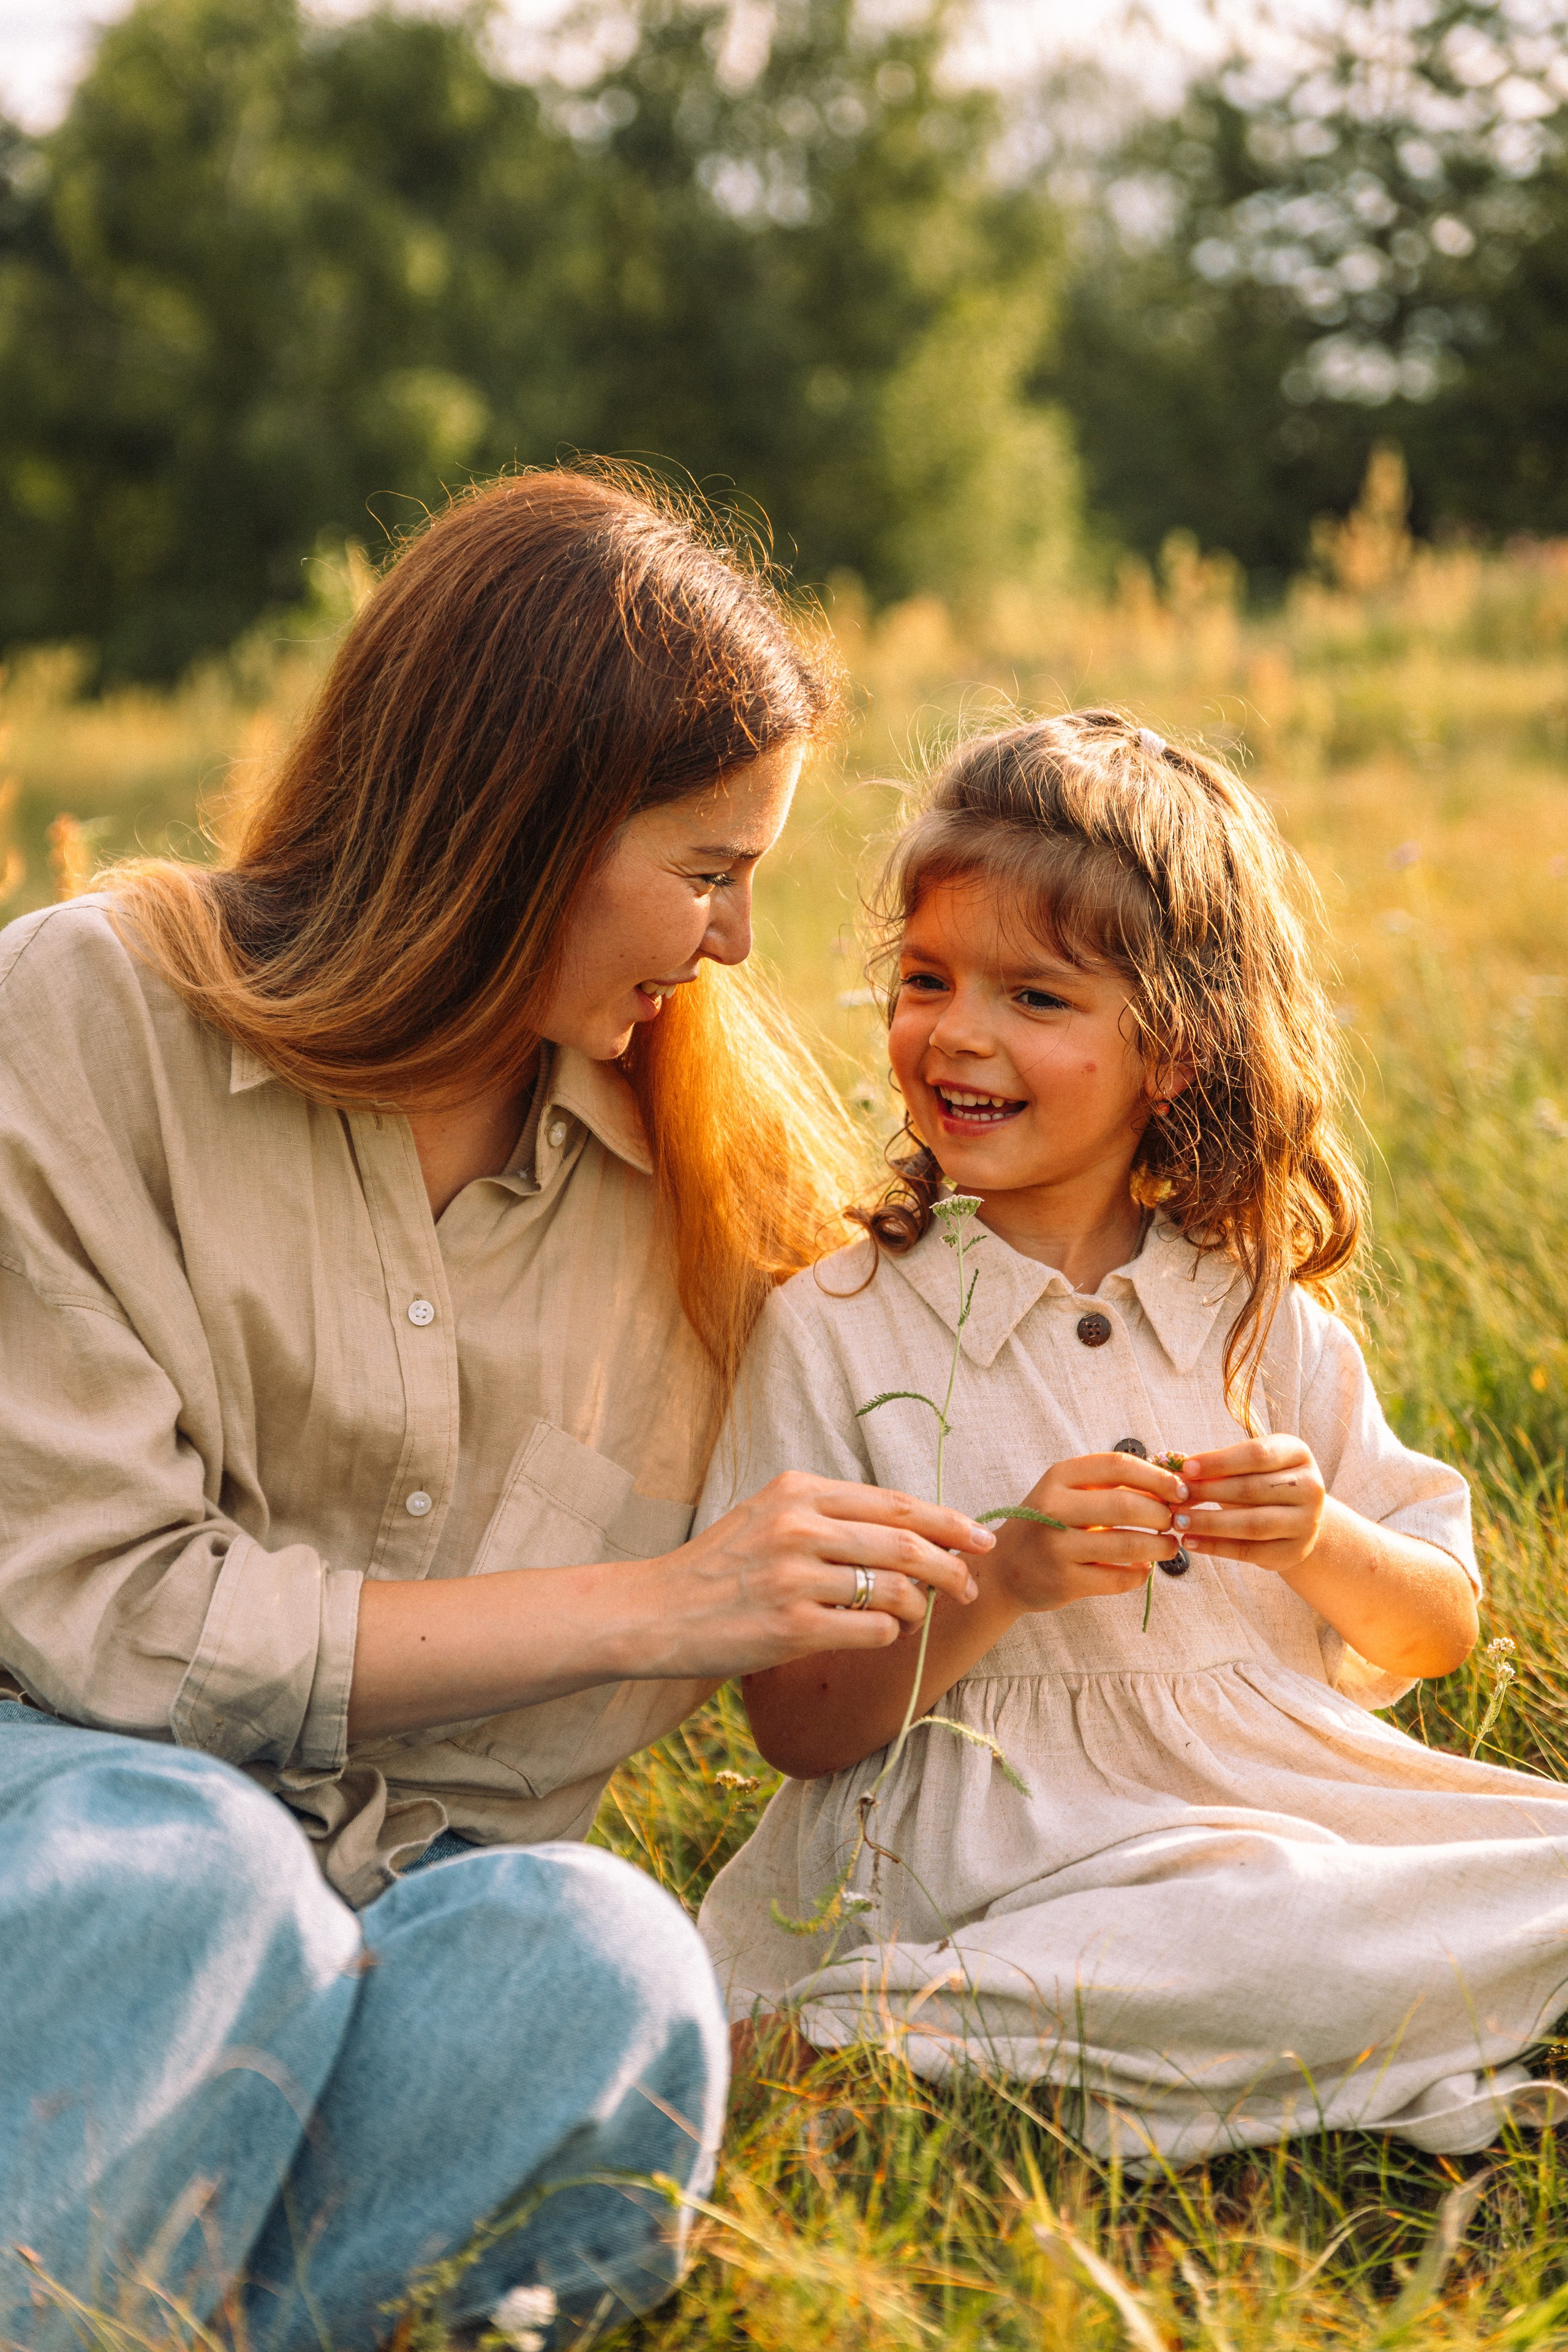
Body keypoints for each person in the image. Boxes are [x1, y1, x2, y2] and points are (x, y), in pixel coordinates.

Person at [0, 469, 993, 2349]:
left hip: (414, 1875)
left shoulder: (713, 1197)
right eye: (708, 871)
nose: (735, 947)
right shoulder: (84, 1017)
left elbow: (1003, 1313)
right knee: (200, 1877)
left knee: (606, 1962)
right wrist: (665, 1602)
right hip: (58, 1802)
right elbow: (109, 1623)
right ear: (518, 828)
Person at [695, 707, 1568, 2167]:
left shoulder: (1255, 1320)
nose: (955, 1032)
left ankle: (1146, 2028)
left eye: (1035, 999)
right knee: (1246, 1930)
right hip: (990, 1859)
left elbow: (1431, 1631)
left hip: (1277, 1819)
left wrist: (1315, 1540)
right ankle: (893, 2019)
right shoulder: (837, 1328)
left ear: (1173, 1053)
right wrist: (1002, 1581)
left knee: (1386, 1889)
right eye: (925, 979)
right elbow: (798, 1725)